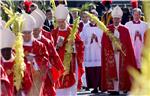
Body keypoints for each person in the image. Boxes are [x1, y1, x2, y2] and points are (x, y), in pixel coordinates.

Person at [101, 6, 137, 94]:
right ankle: (113, 89)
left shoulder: (125, 30)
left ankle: (122, 88)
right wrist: (111, 47)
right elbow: (104, 42)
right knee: (112, 70)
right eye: (114, 19)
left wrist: (120, 47)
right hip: (111, 54)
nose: (116, 20)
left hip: (121, 55)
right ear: (112, 19)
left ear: (120, 19)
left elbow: (128, 44)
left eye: (118, 19)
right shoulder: (108, 29)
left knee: (121, 70)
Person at [51, 4, 84, 96]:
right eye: (59, 22)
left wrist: (73, 46)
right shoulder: (54, 33)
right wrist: (56, 46)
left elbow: (80, 44)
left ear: (66, 20)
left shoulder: (72, 31)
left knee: (71, 86)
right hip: (58, 64)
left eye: (62, 21)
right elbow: (49, 48)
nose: (61, 24)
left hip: (70, 63)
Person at [31, 8, 64, 96]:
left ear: (41, 28)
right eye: (33, 30)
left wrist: (57, 67)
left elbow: (54, 56)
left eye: (37, 29)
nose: (35, 32)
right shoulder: (27, 41)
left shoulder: (46, 41)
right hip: (31, 73)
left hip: (45, 72)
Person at [22, 13, 49, 96]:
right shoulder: (17, 46)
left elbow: (46, 59)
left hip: (36, 79)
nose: (26, 35)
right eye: (24, 33)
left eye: (28, 32)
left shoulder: (39, 45)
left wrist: (34, 59)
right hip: (22, 79)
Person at [80, 9, 103, 93]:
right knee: (91, 69)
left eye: (94, 16)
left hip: (98, 51)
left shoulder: (101, 26)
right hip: (89, 52)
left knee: (99, 69)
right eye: (91, 16)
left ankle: (100, 86)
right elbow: (82, 39)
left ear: (97, 16)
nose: (92, 18)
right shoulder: (85, 27)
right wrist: (90, 39)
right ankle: (94, 87)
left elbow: (104, 39)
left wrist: (97, 38)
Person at [0, 19, 16, 96]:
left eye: (8, 50)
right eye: (3, 51)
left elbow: (27, 83)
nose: (6, 53)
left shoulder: (17, 61)